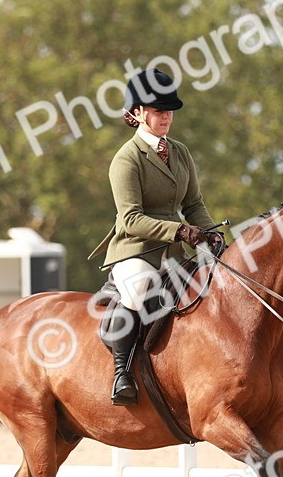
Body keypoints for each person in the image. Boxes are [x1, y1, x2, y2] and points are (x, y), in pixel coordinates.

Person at [87, 68, 221, 405]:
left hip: (174, 253)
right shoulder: (126, 160)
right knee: (138, 292)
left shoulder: (180, 153)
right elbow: (130, 219)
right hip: (136, 252)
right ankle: (122, 373)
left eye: (169, 111)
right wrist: (179, 230)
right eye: (159, 111)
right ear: (137, 113)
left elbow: (194, 203)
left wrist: (210, 233)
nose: (166, 118)